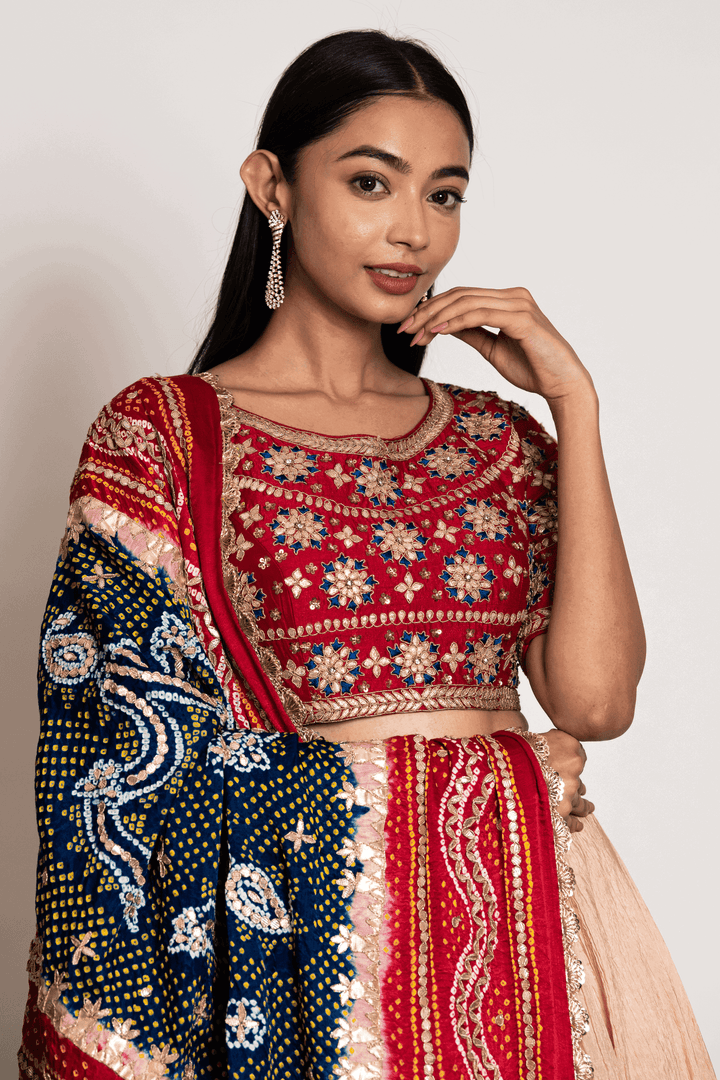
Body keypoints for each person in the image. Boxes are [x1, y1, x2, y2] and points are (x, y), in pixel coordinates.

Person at [18, 29, 714, 1080]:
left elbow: (598, 703)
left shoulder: (501, 441)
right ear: (273, 187)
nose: (414, 233)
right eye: (370, 182)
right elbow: (118, 772)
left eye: (445, 194)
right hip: (306, 971)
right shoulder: (163, 440)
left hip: (528, 945)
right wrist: (482, 782)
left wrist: (577, 407)